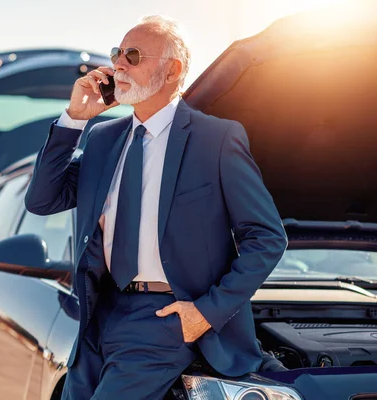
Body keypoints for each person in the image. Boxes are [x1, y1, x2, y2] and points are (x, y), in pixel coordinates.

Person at [24, 15, 287, 400]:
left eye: (132, 55)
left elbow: (266, 238)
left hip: (166, 319)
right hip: (100, 314)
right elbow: (41, 200)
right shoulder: (101, 139)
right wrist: (74, 120)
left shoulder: (215, 140)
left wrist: (206, 313)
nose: (118, 65)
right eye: (117, 54)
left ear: (171, 71)